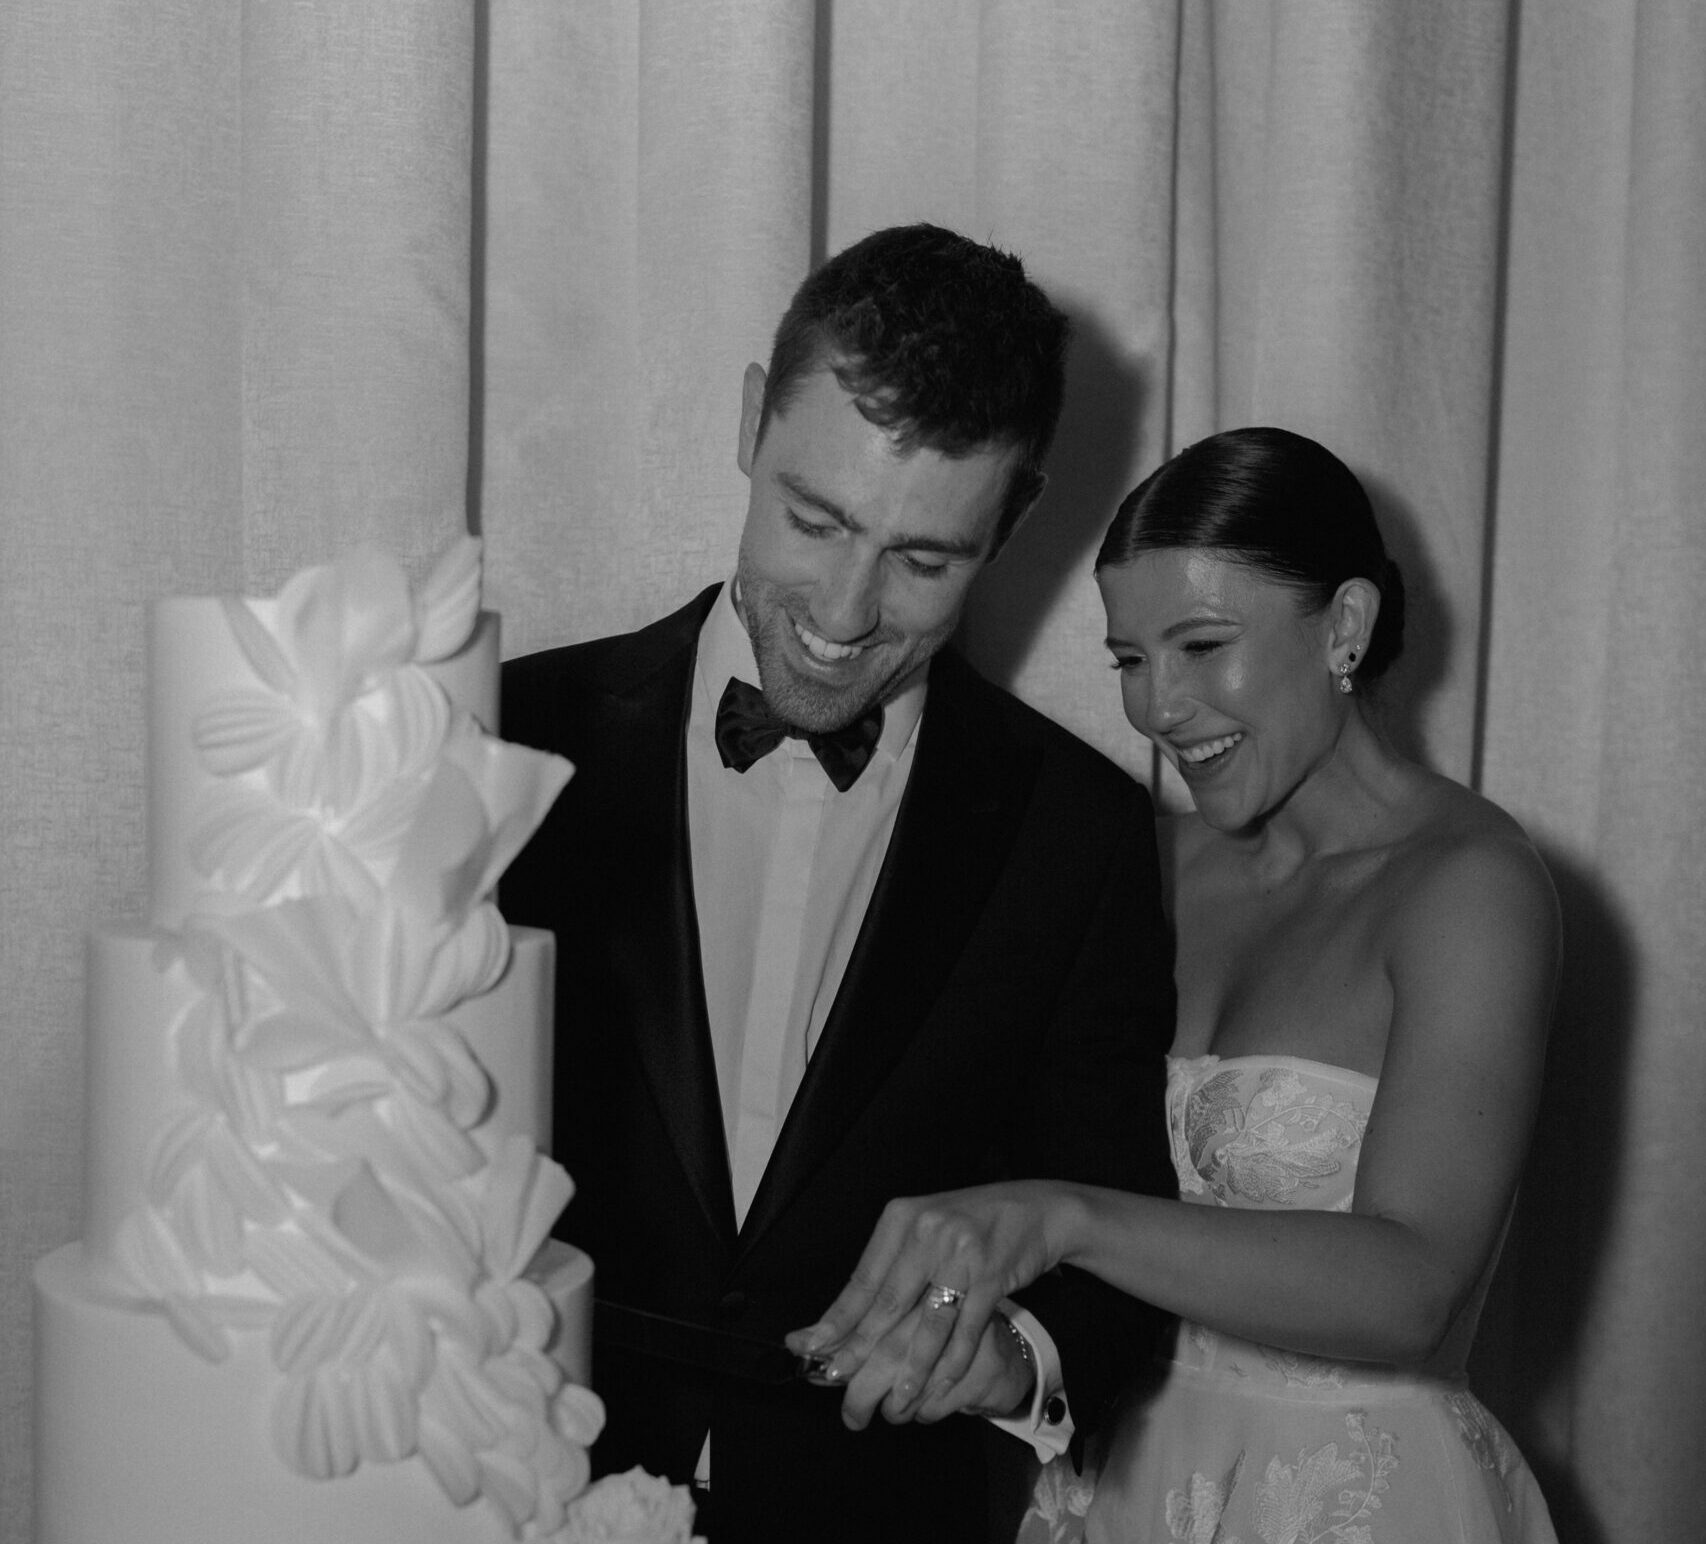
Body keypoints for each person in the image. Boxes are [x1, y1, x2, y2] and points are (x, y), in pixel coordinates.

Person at [499, 224, 1177, 1544]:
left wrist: (1018, 1356)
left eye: (924, 560)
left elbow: (1117, 1236)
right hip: (499, 1484)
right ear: (752, 420)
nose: (844, 610)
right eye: (814, 520)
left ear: (1017, 517)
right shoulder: (501, 743)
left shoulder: (1078, 835)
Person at [790, 426, 1562, 1543]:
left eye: (1200, 644)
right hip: (1109, 1485)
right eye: (1128, 659)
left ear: (1343, 626)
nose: (1155, 706)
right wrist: (983, 1343)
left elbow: (1412, 1287)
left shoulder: (1468, 888)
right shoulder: (1132, 861)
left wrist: (1060, 1218)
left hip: (1353, 1499)